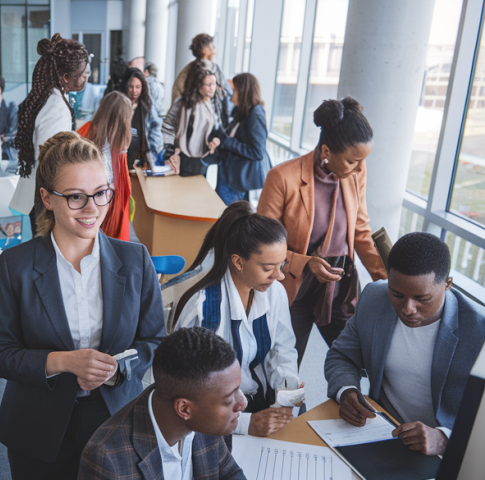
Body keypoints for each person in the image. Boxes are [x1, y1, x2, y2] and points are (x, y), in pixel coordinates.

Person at [0, 132, 165, 479]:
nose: (92, 209)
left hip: (115, 417)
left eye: (101, 194)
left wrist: (118, 370)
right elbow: (1, 354)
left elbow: (154, 342)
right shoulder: (15, 266)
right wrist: (63, 362)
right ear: (47, 198)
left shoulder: (135, 260)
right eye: (75, 197)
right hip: (37, 425)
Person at [325, 232, 485, 457]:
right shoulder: (374, 297)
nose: (408, 308)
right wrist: (346, 390)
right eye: (397, 294)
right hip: (386, 433)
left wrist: (445, 439)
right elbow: (341, 355)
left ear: (448, 284)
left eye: (422, 299)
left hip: (451, 453)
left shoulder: (479, 330)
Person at [257, 97, 387, 365]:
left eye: (363, 161)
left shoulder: (354, 175)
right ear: (326, 152)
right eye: (353, 161)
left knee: (358, 359)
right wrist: (306, 263)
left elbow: (361, 231)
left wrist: (390, 279)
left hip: (339, 285)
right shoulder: (282, 178)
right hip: (295, 285)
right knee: (285, 362)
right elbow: (261, 245)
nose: (360, 168)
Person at [173, 201, 302, 437]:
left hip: (260, 402)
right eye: (268, 268)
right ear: (238, 262)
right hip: (214, 419)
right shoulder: (202, 309)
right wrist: (244, 424)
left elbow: (281, 350)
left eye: (282, 265)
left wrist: (287, 388)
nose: (280, 276)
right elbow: (191, 388)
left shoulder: (274, 292)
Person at [79, 327, 247, 479]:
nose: (242, 403)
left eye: (238, 390)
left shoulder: (206, 416)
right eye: (228, 399)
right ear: (184, 409)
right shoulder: (107, 457)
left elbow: (230, 473)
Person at [11, 34, 90, 227]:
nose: (85, 77)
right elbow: (47, 157)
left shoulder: (49, 98)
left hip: (38, 195)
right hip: (44, 200)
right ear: (65, 77)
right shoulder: (55, 107)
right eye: (81, 73)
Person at [76, 91, 133, 241]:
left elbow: (122, 180)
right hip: (92, 200)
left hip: (111, 201)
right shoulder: (85, 134)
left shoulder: (119, 140)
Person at [208, 73, 271, 205]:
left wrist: (227, 142)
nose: (231, 95)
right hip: (229, 176)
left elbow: (257, 152)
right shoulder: (242, 111)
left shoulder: (256, 114)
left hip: (237, 182)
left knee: (227, 220)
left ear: (242, 91)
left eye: (234, 90)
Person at [163, 62, 221, 176]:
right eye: (208, 84)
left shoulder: (215, 104)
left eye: (214, 84)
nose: (212, 88)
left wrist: (216, 140)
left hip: (203, 160)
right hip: (182, 158)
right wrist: (169, 152)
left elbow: (217, 129)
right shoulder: (183, 102)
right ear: (199, 87)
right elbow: (167, 125)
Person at [171, 33, 231, 126]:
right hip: (194, 116)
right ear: (199, 50)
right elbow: (179, 92)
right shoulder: (191, 70)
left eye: (213, 46)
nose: (212, 50)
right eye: (207, 46)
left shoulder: (216, 69)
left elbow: (225, 91)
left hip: (212, 116)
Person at [123, 68, 163, 167]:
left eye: (138, 87)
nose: (134, 91)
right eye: (131, 87)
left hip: (141, 156)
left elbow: (156, 125)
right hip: (122, 154)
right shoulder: (120, 105)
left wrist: (154, 149)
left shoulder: (147, 105)